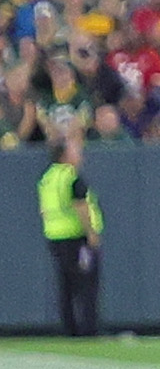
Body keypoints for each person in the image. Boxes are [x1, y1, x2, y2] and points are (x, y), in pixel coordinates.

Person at [38, 128, 100, 337]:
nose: (79, 155)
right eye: (75, 151)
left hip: (55, 237)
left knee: (65, 287)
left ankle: (70, 329)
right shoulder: (71, 177)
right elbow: (80, 206)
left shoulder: (48, 178)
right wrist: (90, 233)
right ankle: (88, 330)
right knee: (86, 285)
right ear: (65, 156)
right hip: (76, 238)